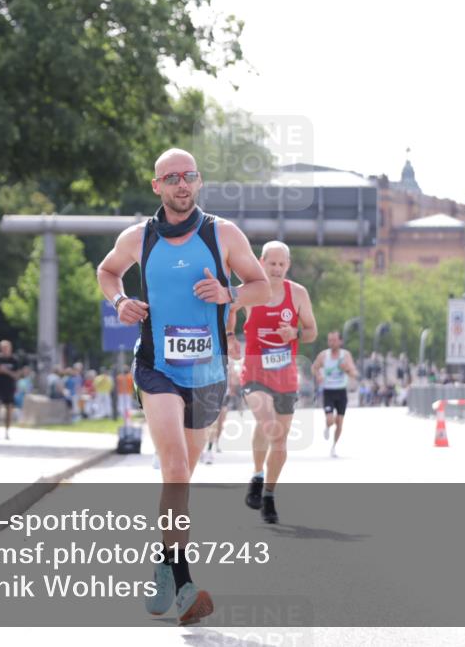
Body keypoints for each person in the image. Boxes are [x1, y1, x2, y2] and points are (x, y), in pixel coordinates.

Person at [97, 147, 268, 625]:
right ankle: (186, 584)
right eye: (171, 177)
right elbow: (107, 272)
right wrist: (120, 301)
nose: (181, 184)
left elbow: (263, 287)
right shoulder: (138, 238)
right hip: (157, 367)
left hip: (208, 372)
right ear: (157, 186)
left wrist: (230, 294)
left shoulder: (223, 234)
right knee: (173, 466)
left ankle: (165, 563)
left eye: (188, 176)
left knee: (182, 479)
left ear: (198, 182)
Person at [228, 241, 317, 523]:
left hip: (286, 375)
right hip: (254, 371)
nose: (276, 269)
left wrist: (295, 334)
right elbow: (229, 308)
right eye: (271, 263)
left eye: (281, 264)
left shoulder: (298, 294)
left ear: (287, 266)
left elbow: (312, 331)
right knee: (267, 422)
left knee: (279, 438)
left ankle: (268, 494)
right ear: (261, 261)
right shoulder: (252, 291)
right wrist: (230, 337)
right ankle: (257, 473)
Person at [312, 330, 358, 457]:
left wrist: (347, 369)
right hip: (328, 391)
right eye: (329, 340)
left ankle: (334, 446)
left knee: (339, 421)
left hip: (341, 391)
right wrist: (318, 376)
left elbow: (354, 373)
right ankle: (327, 426)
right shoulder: (323, 355)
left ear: (340, 341)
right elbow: (314, 367)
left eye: (334, 340)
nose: (331, 343)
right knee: (330, 419)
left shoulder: (345, 355)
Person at [202, 356, 242, 464]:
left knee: (220, 422)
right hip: (210, 395)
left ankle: (215, 443)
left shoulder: (230, 361)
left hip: (224, 396)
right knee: (211, 424)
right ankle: (207, 450)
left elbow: (235, 380)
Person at [0, 340, 20, 439]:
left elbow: (16, 375)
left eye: (7, 348)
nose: (5, 350)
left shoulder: (14, 360)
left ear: (10, 349)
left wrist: (6, 371)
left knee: (9, 410)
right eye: (3, 348)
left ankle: (7, 432)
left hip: (9, 387)